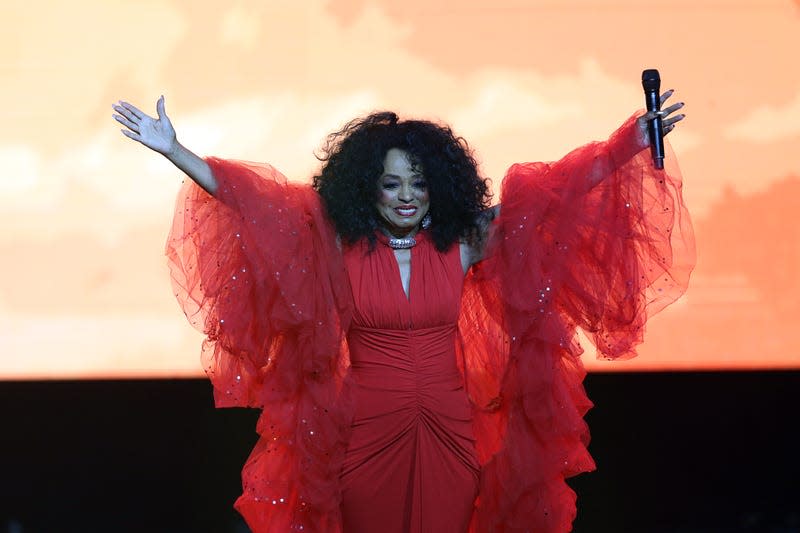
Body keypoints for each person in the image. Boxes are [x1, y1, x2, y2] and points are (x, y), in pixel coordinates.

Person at [112, 90, 693, 532]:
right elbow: (257, 205)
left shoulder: (463, 242)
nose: (408, 196)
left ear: (439, 186)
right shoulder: (336, 246)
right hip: (366, 435)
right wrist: (175, 151)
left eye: (419, 183)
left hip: (448, 432)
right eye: (392, 184)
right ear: (367, 189)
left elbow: (552, 195)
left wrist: (628, 145)